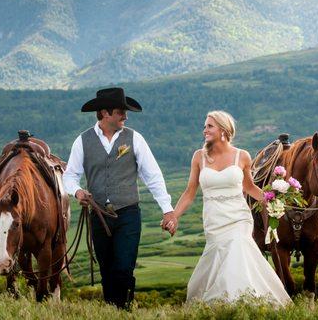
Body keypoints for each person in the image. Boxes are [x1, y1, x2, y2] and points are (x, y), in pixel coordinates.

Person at [63, 87, 176, 309]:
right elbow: (70, 176)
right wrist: (77, 192)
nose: (125, 116)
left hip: (128, 213)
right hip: (99, 216)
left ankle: (124, 309)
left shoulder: (135, 139)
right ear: (105, 113)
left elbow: (152, 175)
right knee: (107, 270)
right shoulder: (82, 141)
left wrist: (167, 208)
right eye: (120, 111)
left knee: (124, 267)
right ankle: (113, 311)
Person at [164, 110, 291, 304]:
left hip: (238, 218)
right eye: (205, 126)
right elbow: (190, 192)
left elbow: (249, 187)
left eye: (209, 126)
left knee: (236, 252)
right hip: (214, 220)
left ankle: (242, 303)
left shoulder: (242, 156)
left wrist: (271, 198)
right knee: (217, 261)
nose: (204, 130)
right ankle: (221, 305)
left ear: (223, 130)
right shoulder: (199, 157)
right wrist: (174, 216)